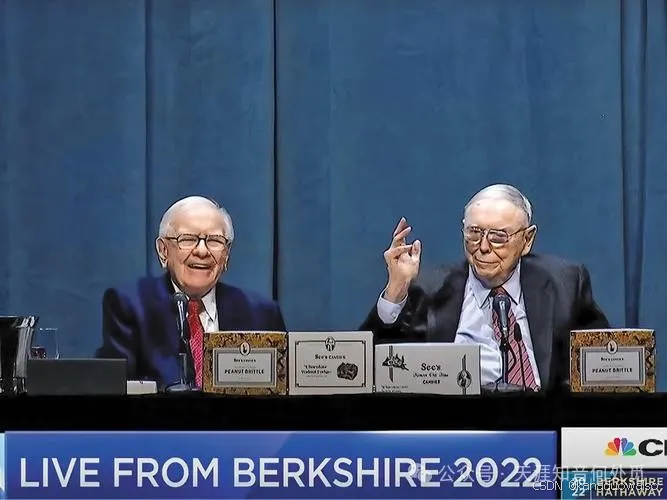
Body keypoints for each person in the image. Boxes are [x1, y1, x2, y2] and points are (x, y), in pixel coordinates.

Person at [361, 184, 609, 392]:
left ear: (527, 240)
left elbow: (600, 364)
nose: (483, 247)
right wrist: (396, 290)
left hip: (542, 419)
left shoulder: (564, 283)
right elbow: (372, 363)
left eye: (498, 237)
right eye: (474, 233)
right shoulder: (432, 289)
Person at [96, 196, 286, 390]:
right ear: (163, 250)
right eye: (187, 239)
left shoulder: (261, 313)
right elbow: (113, 392)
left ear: (226, 254)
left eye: (214, 241)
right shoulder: (130, 307)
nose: (202, 251)